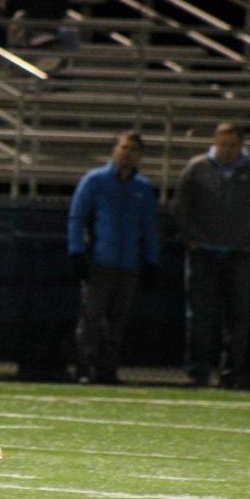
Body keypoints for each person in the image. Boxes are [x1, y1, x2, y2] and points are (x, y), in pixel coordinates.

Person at [173, 122, 250, 388]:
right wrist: (190, 239)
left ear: (242, 145)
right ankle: (197, 371)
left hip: (238, 255)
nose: (227, 150)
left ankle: (231, 372)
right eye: (223, 145)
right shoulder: (197, 168)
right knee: (199, 316)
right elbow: (181, 208)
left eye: (232, 145)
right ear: (214, 142)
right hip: (203, 253)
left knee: (238, 318)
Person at [67, 131, 161, 385]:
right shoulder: (95, 180)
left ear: (140, 155)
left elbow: (149, 227)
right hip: (100, 261)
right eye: (124, 148)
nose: (127, 153)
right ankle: (85, 367)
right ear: (115, 149)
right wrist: (76, 252)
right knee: (92, 317)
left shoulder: (142, 187)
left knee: (117, 321)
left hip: (128, 263)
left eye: (133, 149)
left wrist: (151, 260)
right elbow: (77, 218)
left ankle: (108, 369)